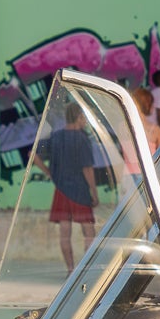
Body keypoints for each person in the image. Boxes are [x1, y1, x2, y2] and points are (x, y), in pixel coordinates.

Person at [31, 102, 99, 269]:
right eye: (84, 117)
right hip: (80, 191)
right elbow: (87, 169)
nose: (85, 121)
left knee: (64, 234)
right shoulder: (83, 138)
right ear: (78, 117)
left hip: (61, 191)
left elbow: (34, 156)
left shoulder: (56, 136)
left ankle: (70, 270)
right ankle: (85, 270)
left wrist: (50, 173)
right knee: (89, 232)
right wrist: (94, 192)